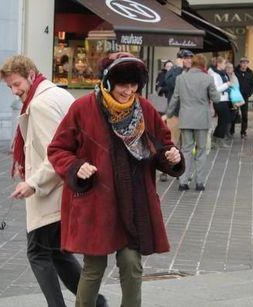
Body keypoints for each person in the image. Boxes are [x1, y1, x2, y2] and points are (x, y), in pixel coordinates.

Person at [47, 53, 185, 307]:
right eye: (123, 84)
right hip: (97, 202)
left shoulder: (145, 109)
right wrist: (76, 167)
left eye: (133, 85)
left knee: (132, 265)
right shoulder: (83, 108)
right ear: (108, 82)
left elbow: (162, 147)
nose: (128, 90)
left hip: (134, 203)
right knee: (93, 268)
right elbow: (58, 149)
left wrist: (172, 157)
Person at [0, 55, 106, 307]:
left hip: (50, 192)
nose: (15, 92)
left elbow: (55, 155)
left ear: (31, 76)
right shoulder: (58, 93)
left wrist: (32, 183)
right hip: (66, 188)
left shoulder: (39, 105)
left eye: (16, 84)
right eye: (10, 87)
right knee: (57, 253)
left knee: (37, 253)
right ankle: (96, 303)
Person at [166, 54, 220, 191]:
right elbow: (216, 98)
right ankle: (200, 182)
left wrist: (169, 114)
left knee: (186, 150)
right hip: (202, 120)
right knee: (201, 151)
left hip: (186, 119)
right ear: (203, 65)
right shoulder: (208, 78)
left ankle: (183, 181)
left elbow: (175, 99)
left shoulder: (181, 78)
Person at [208, 57, 232, 148]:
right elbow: (216, 89)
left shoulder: (223, 73)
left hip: (225, 99)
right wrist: (227, 84)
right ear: (218, 64)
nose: (225, 65)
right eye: (224, 63)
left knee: (223, 120)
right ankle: (217, 139)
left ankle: (217, 139)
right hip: (219, 99)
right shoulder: (214, 74)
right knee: (225, 119)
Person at [234, 57, 253, 139]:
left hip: (245, 97)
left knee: (244, 115)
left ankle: (243, 132)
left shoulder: (250, 72)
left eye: (246, 63)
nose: (244, 64)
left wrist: (249, 93)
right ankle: (231, 131)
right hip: (236, 96)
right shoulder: (235, 72)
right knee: (234, 114)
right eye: (243, 62)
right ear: (240, 63)